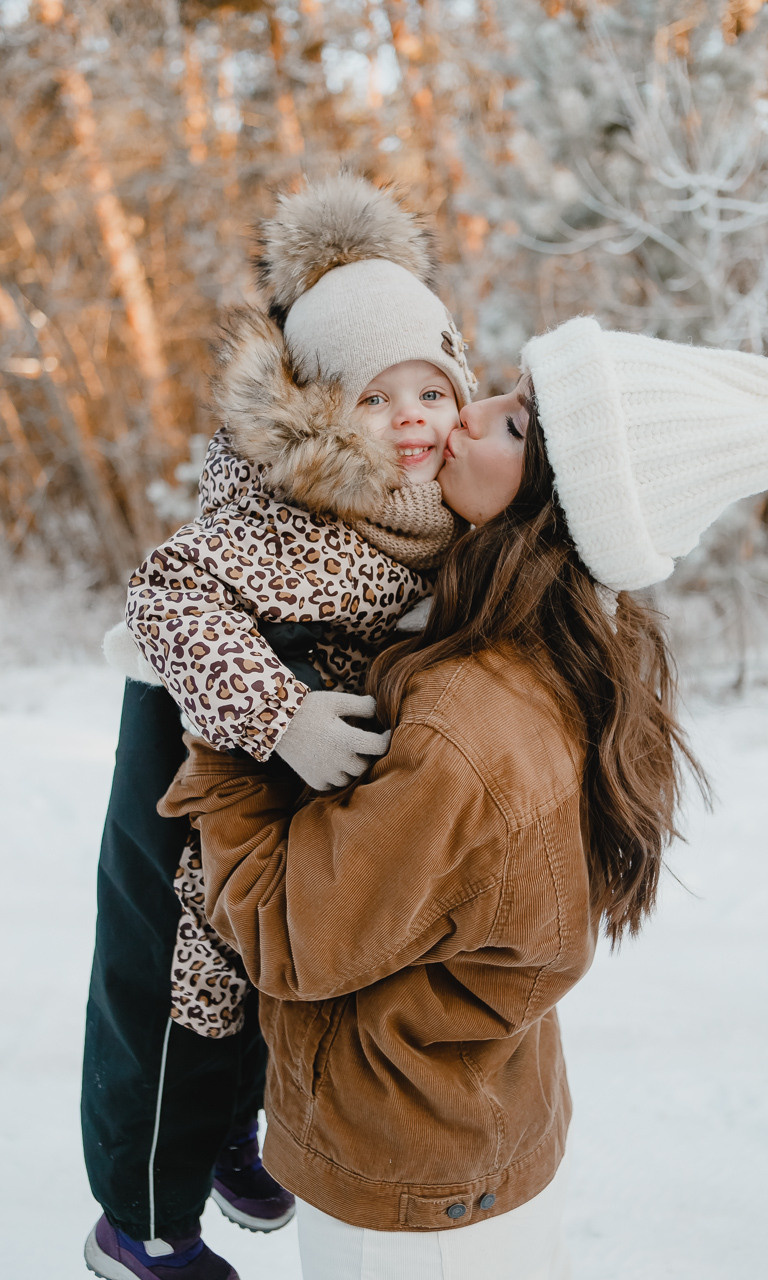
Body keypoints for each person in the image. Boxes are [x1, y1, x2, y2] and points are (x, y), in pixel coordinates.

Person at [158, 316, 768, 1280]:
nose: (468, 417)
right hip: (474, 1136)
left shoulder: (468, 725)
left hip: (406, 1198)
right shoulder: (575, 646)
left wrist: (229, 725)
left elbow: (283, 933)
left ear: (559, 503)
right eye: (504, 394)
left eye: (513, 426)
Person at [82, 173, 477, 1280]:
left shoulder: (433, 505)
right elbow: (165, 590)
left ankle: (221, 1138)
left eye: (431, 390)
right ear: (317, 413)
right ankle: (139, 1222)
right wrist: (279, 710)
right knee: (179, 1000)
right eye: (372, 398)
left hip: (285, 801)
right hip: (193, 771)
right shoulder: (294, 514)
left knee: (270, 974)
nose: (410, 419)